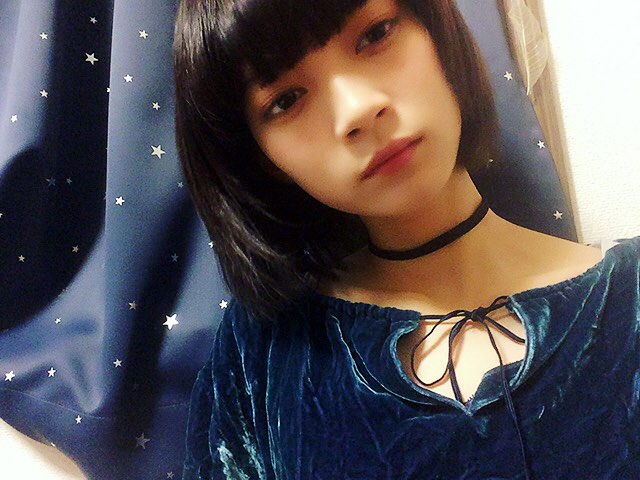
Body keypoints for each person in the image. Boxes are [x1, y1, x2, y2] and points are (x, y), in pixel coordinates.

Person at [173, 0, 640, 478]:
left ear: (438, 32)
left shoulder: (631, 299)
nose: (358, 109)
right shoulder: (264, 356)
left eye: (376, 34)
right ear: (263, 158)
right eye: (287, 99)